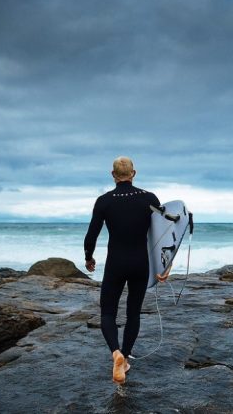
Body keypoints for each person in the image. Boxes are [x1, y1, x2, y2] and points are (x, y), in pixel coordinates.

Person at [84, 156, 163, 385]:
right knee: (133, 313)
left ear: (112, 174)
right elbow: (164, 235)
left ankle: (115, 353)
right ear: (134, 173)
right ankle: (126, 357)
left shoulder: (104, 201)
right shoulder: (149, 199)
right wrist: (164, 265)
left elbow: (91, 236)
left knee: (108, 312)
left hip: (115, 263)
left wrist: (89, 258)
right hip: (140, 263)